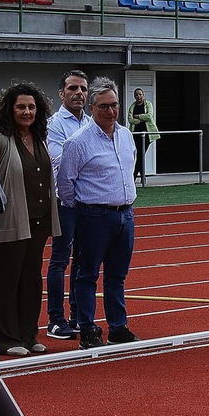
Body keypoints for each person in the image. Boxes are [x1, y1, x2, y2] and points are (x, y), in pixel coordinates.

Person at [56, 78, 139, 350]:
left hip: (125, 214)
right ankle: (88, 328)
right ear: (92, 108)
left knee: (117, 276)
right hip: (93, 215)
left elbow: (130, 168)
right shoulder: (78, 142)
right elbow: (65, 182)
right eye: (104, 107)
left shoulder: (126, 135)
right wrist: (81, 209)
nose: (111, 111)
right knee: (87, 274)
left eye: (115, 105)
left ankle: (118, 326)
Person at [0, 83, 58, 357]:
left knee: (30, 281)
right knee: (5, 281)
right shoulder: (0, 140)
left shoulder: (38, 138)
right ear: (9, 110)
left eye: (31, 107)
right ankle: (4, 338)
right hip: (9, 222)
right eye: (21, 107)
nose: (27, 112)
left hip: (37, 221)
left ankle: (28, 335)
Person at [44, 69, 93, 341]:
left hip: (88, 201)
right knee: (59, 260)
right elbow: (60, 161)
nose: (79, 93)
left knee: (83, 261)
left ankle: (77, 315)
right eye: (73, 88)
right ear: (62, 93)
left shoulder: (90, 121)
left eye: (83, 89)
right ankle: (55, 318)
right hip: (65, 201)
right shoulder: (54, 125)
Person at [128, 87, 159, 186]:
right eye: (136, 95)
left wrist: (139, 116)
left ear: (143, 95)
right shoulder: (132, 106)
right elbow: (130, 120)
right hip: (136, 134)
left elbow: (149, 116)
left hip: (147, 135)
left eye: (140, 94)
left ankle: (134, 176)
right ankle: (142, 177)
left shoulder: (148, 104)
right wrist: (141, 119)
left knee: (141, 154)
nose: (138, 96)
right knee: (140, 155)